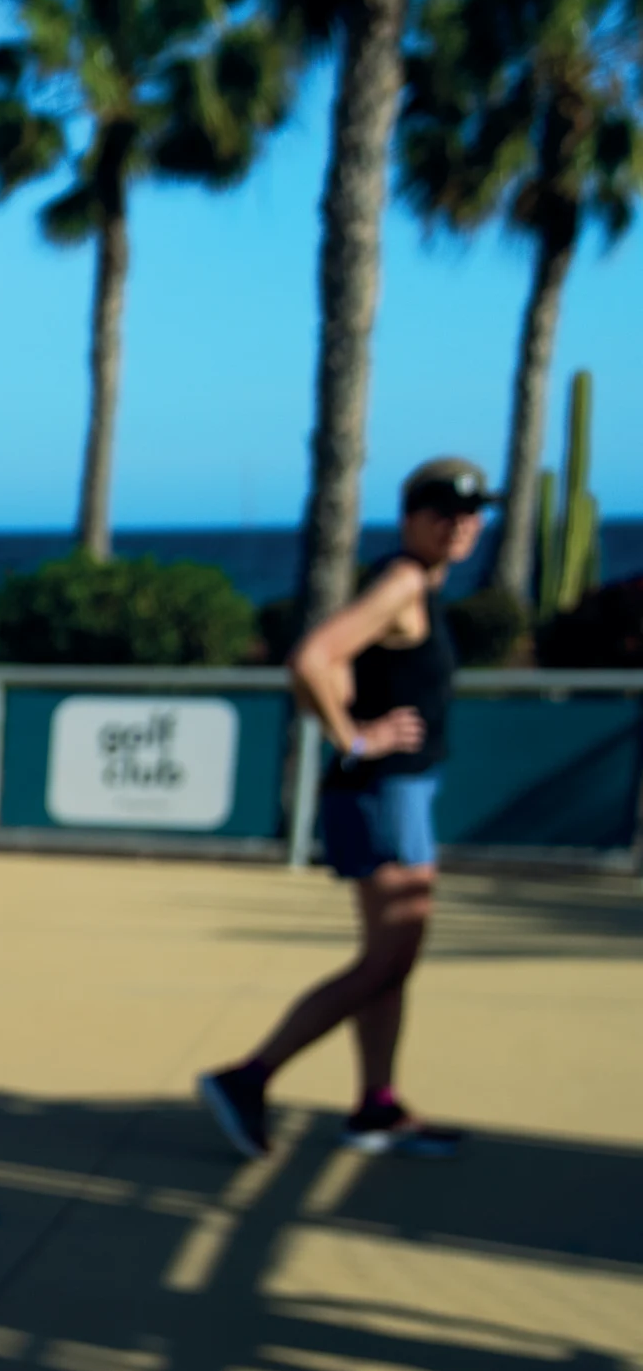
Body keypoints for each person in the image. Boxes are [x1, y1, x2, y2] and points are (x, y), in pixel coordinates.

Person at [198, 457, 493, 1163]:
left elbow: (328, 668)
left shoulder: (416, 582)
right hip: (385, 792)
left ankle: (376, 1105)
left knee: (388, 963)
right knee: (389, 959)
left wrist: (352, 729)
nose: (460, 524)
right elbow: (311, 658)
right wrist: (355, 737)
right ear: (412, 518)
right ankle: (249, 1076)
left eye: (472, 511)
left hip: (399, 789)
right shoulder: (401, 582)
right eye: (443, 511)